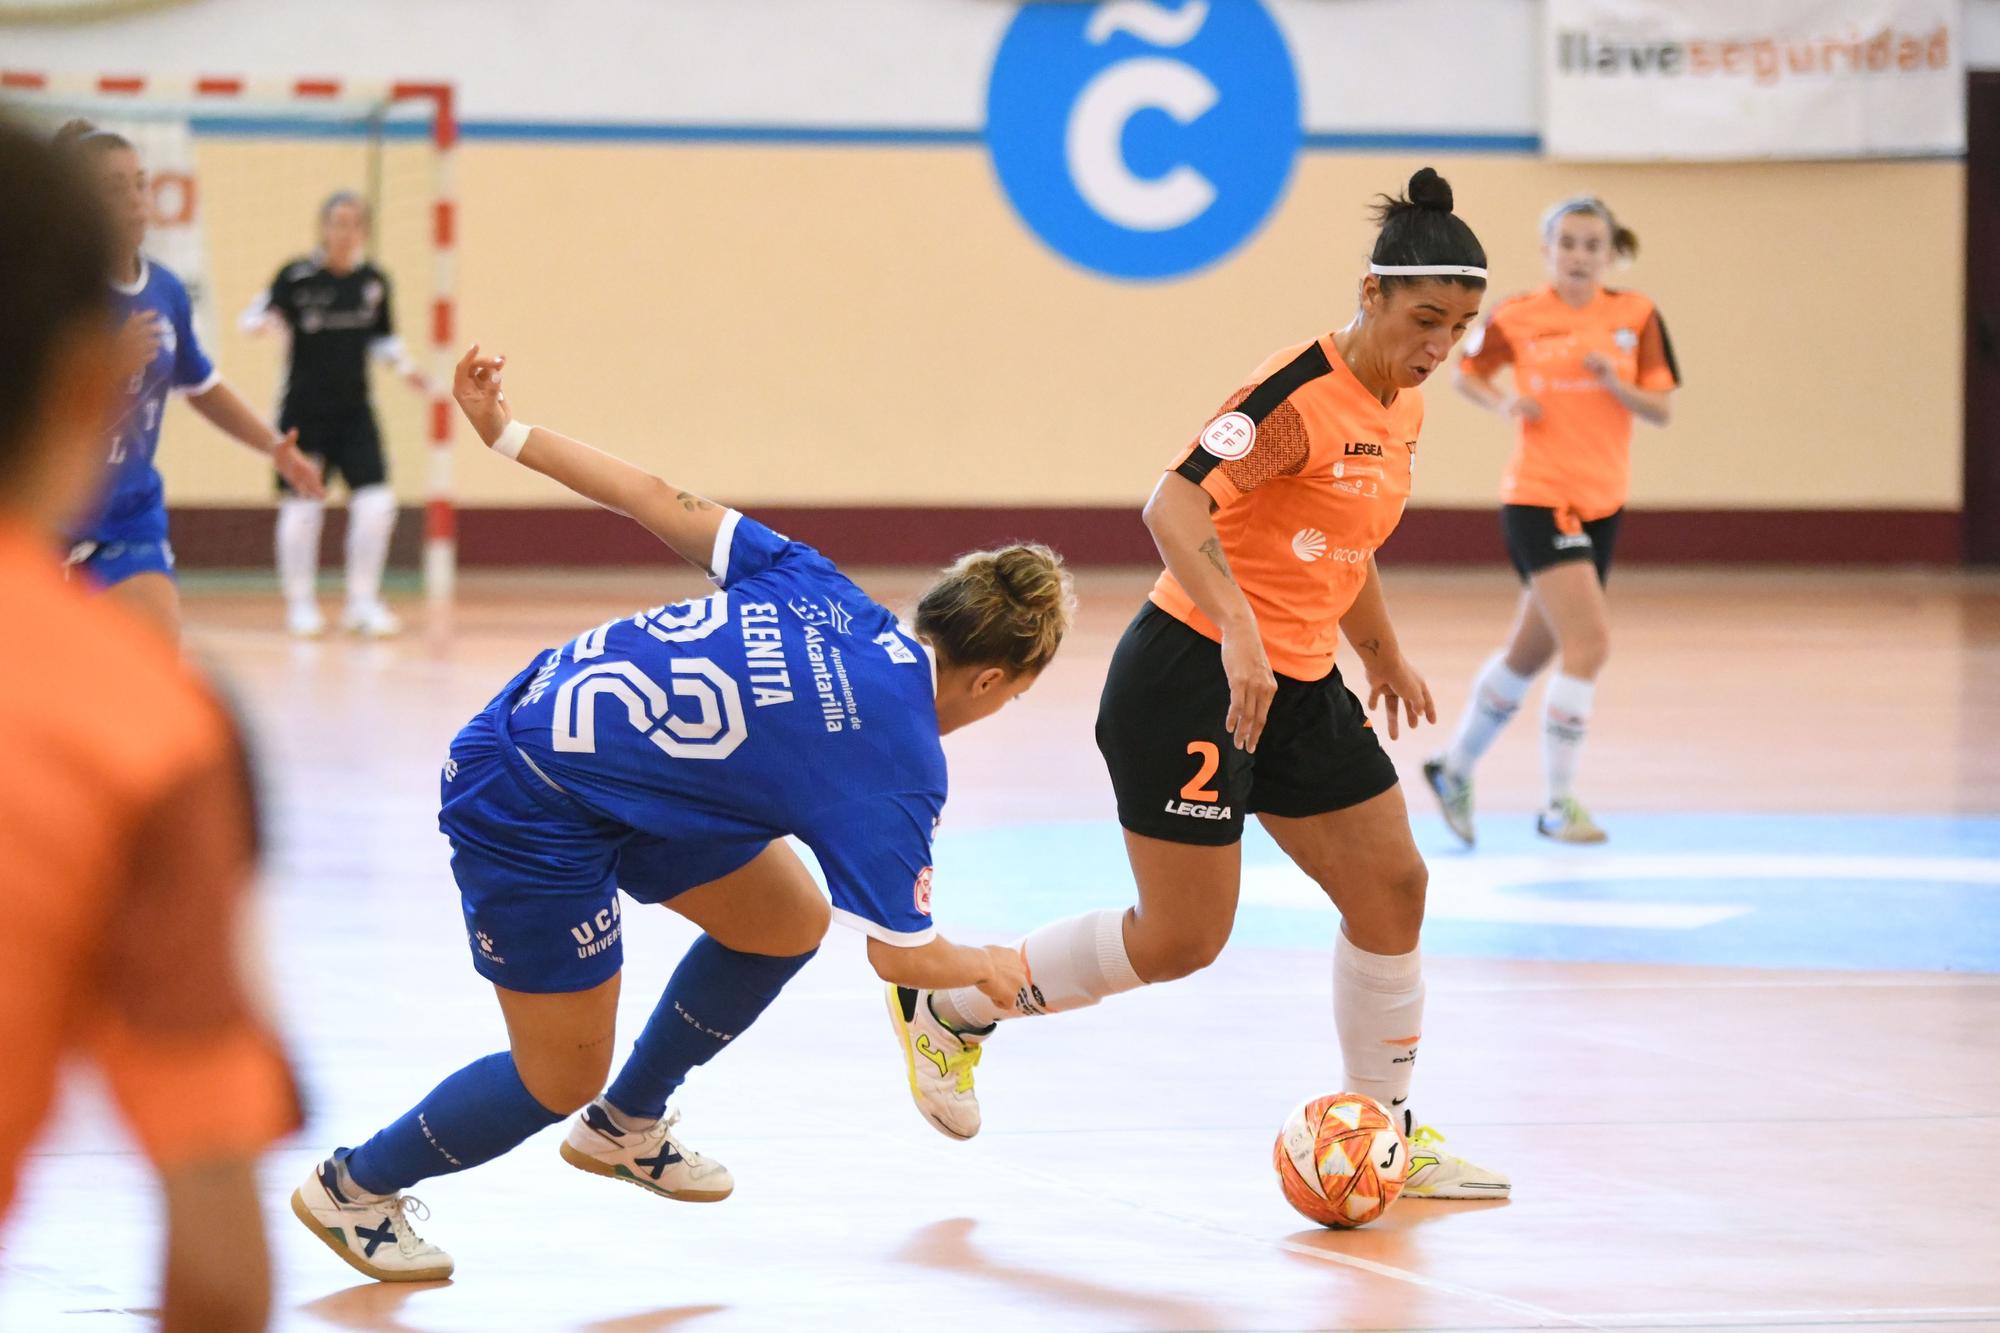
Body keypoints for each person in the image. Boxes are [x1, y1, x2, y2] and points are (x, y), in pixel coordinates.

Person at [292, 343, 1074, 1281]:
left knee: (786, 917)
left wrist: (505, 432)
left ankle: (626, 1124)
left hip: (600, 760)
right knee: (556, 1073)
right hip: (530, 799)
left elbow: (653, 495)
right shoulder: (899, 761)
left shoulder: (822, 585)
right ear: (990, 679)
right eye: (1013, 697)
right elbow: (904, 956)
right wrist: (998, 968)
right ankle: (354, 1187)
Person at [883, 168, 1509, 1200]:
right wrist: (1239, 635)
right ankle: (953, 1007)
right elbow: (1170, 506)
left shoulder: (1399, 407)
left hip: (1294, 685)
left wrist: (1380, 650)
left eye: (1460, 325)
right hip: (1191, 674)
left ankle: (1383, 1128)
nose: (1439, 346)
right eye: (1425, 319)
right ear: (1371, 293)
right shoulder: (1293, 395)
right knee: (1181, 940)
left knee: (1392, 890)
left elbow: (1335, 543)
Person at [0, 116, 299, 1333]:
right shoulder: (156, 735)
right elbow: (220, 1266)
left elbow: (210, 387)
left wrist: (272, 440)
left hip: (121, 538)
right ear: (87, 381)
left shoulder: (166, 299)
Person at [1423, 195, 1680, 845]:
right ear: (1548, 249)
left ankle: (1453, 768)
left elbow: (1661, 407)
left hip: (1603, 502)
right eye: (1567, 242)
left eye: (1592, 245)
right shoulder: (1518, 313)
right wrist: (1506, 401)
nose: (1579, 255)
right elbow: (1466, 374)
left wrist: (1611, 382)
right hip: (1539, 498)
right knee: (1589, 642)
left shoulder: (1636, 315)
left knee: (1530, 650)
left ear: (1610, 253)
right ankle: (1559, 802)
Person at [54, 119, 325, 639]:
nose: (136, 200)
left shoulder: (166, 290)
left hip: (129, 520)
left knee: (155, 662)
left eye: (140, 183)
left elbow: (199, 384)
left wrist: (274, 447)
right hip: (46, 520)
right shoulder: (56, 293)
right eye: (115, 189)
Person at [243, 190, 433, 637]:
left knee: (376, 505)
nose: (344, 232)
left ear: (363, 231)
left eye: (353, 223)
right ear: (323, 228)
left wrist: (407, 368)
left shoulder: (373, 282)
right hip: (302, 411)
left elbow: (383, 338)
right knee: (303, 508)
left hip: (354, 412)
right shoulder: (297, 277)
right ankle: (301, 605)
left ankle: (362, 603)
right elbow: (255, 314)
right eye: (337, 223)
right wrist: (260, 323)